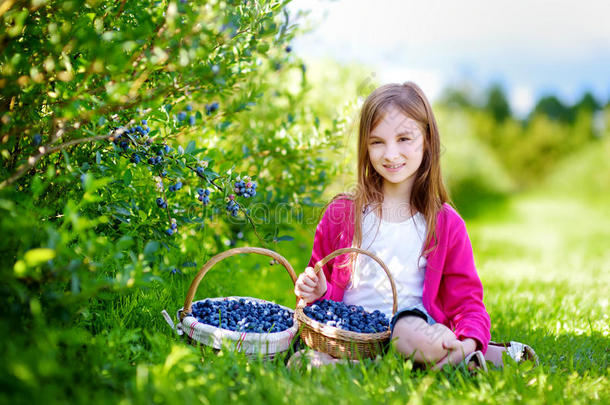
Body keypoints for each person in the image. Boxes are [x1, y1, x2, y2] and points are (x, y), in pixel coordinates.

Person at [291, 82, 538, 370]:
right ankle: (446, 362)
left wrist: (468, 342)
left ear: (427, 141)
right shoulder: (342, 213)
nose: (390, 153)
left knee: (407, 331)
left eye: (404, 139)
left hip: (410, 331)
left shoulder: (445, 223)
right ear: (365, 147)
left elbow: (467, 302)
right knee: (301, 362)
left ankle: (455, 354)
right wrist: (318, 291)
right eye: (377, 142)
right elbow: (317, 304)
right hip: (351, 336)